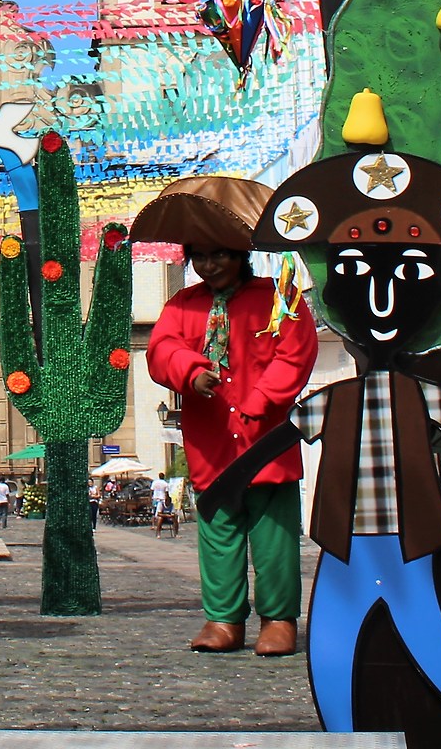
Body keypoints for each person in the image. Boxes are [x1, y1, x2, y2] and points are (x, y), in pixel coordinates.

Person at [253, 150, 441, 746]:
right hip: (350, 547)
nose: (382, 301)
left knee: (421, 644)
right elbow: (277, 440)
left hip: (403, 545)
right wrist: (228, 484)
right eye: (358, 277)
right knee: (339, 650)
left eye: (411, 276)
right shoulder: (338, 400)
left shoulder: (421, 397)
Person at [140, 175, 321, 657]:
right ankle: (223, 619)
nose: (209, 265)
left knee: (274, 538)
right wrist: (190, 370)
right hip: (213, 442)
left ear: (241, 253)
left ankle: (279, 619)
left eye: (218, 254)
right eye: (199, 256)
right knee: (218, 533)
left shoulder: (279, 298)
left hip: (266, 442)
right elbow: (161, 350)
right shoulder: (184, 304)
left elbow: (296, 353)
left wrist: (260, 402)